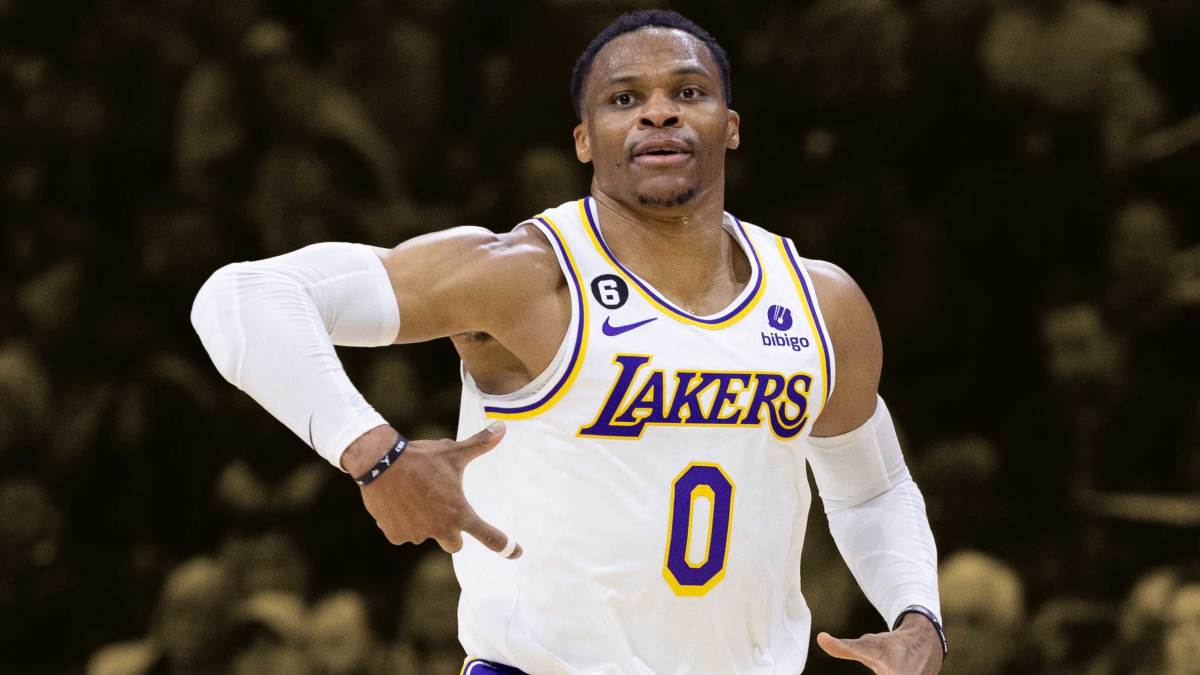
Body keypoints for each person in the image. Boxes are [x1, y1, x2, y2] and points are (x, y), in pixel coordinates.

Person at [192, 10, 944, 674]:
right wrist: (373, 451)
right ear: (585, 140)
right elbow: (242, 298)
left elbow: (871, 485)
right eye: (625, 99)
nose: (658, 113)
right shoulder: (523, 277)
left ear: (732, 124)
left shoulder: (819, 300)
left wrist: (917, 616)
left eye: (688, 92)